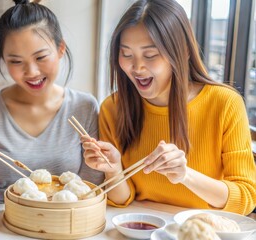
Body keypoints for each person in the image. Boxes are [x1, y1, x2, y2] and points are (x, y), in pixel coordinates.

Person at [81, 0, 256, 215]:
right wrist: (114, 169)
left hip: (201, 230)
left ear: (182, 52)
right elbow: (122, 200)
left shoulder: (225, 103)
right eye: (126, 54)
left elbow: (245, 198)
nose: (137, 67)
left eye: (150, 55)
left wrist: (185, 175)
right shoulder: (113, 108)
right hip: (140, 228)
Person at [0, 0, 104, 202]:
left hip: (67, 224)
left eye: (40, 57)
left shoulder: (84, 107)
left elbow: (90, 190)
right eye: (16, 61)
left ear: (61, 48)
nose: (31, 72)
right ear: (3, 59)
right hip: (5, 227)